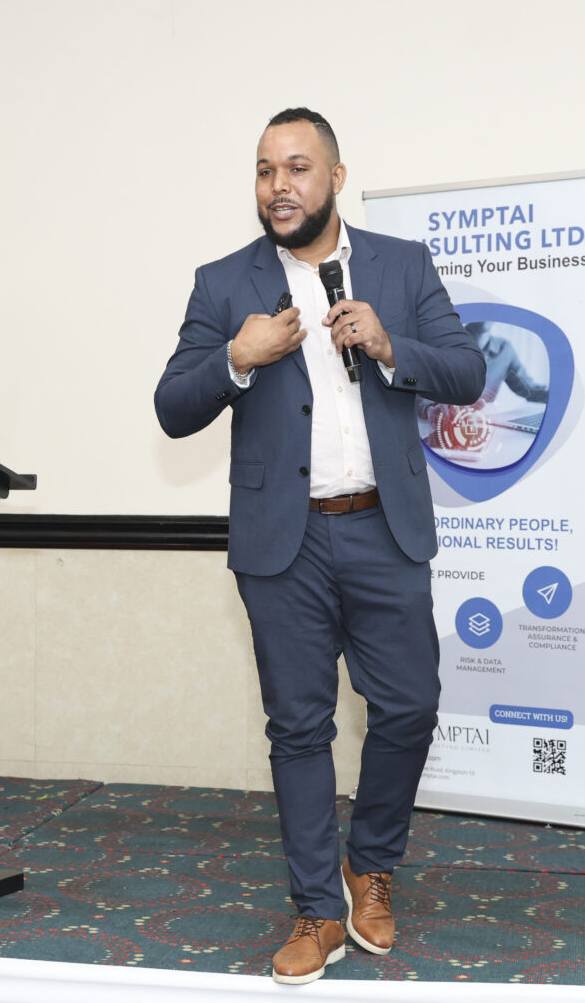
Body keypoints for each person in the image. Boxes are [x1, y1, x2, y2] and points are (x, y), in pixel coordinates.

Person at [155, 107, 485, 984]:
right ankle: (315, 909)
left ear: (335, 178)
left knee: (409, 706)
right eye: (266, 170)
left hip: (383, 525)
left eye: (297, 168)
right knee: (298, 728)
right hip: (283, 542)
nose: (279, 186)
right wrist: (237, 357)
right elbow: (172, 407)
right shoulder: (222, 283)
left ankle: (368, 866)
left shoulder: (402, 266)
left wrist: (389, 344)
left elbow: (467, 372)